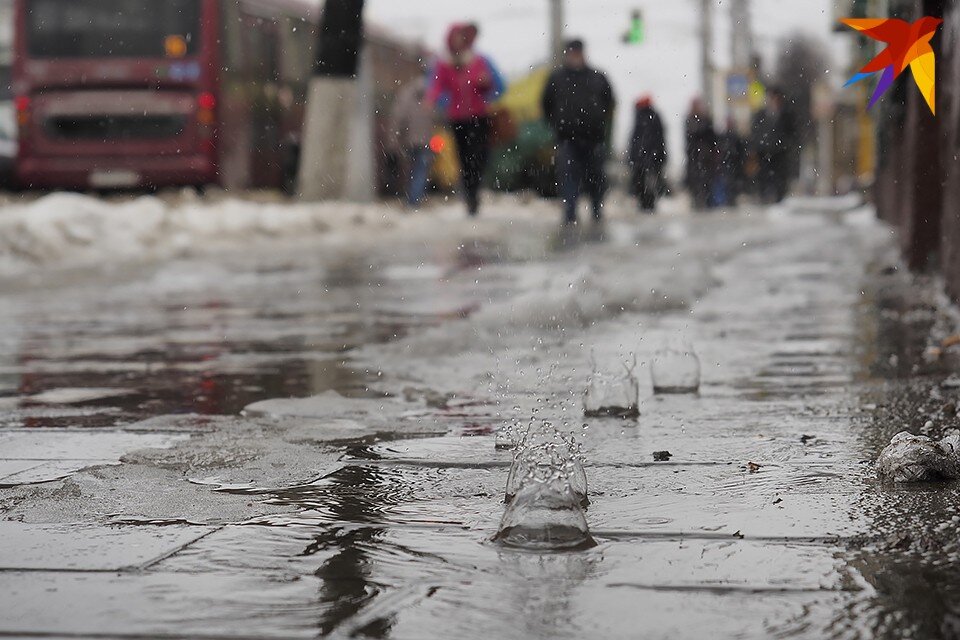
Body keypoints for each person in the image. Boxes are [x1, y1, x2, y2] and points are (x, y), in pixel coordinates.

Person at [426, 23, 504, 216]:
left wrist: (486, 86)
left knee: (479, 156)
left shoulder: (479, 61)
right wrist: (434, 100)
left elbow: (496, 85)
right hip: (458, 118)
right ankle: (470, 196)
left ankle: (474, 189)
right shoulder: (444, 64)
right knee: (464, 158)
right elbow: (437, 85)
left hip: (479, 117)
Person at [541, 39, 615, 227]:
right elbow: (546, 104)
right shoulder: (557, 78)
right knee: (568, 176)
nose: (575, 56)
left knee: (596, 177)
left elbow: (609, 102)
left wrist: (598, 123)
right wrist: (558, 124)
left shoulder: (597, 77)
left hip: (593, 137)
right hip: (567, 138)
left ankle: (597, 210)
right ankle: (570, 213)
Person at [388, 77, 436, 208]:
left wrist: (394, 140)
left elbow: (398, 117)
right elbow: (437, 117)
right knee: (421, 170)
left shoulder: (406, 94)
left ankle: (412, 199)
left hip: (409, 140)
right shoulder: (432, 94)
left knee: (411, 169)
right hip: (426, 140)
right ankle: (415, 199)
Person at [627, 95, 667, 212]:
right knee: (648, 182)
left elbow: (636, 139)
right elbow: (659, 138)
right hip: (649, 157)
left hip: (645, 157)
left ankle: (646, 203)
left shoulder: (641, 117)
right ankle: (648, 204)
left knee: (644, 182)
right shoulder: (652, 116)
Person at [750, 89, 790, 203]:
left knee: (779, 177)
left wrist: (784, 144)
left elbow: (791, 132)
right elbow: (755, 132)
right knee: (764, 176)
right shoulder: (761, 114)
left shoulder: (785, 114)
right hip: (763, 152)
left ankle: (778, 197)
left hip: (779, 153)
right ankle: (764, 196)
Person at [684, 97, 717, 210]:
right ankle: (697, 201)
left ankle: (707, 201)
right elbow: (690, 136)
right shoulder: (690, 119)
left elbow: (711, 137)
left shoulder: (706, 119)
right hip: (695, 156)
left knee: (706, 180)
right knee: (696, 181)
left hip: (706, 157)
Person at [715, 117, 746, 206]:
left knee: (733, 181)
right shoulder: (723, 136)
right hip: (727, 163)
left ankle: (732, 198)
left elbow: (741, 150)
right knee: (727, 181)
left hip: (734, 163)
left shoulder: (735, 136)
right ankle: (728, 198)